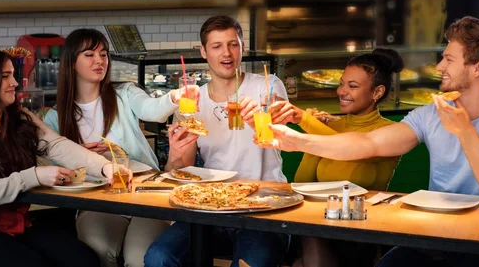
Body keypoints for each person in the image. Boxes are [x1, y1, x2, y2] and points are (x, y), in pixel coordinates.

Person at [259, 17, 479, 267]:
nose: (439, 67)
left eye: (448, 59)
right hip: (434, 234)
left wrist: (465, 131)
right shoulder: (429, 114)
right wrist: (298, 141)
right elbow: (368, 144)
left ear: (478, 67)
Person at [0, 48, 116, 267]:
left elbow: (57, 146)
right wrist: (34, 176)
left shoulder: (18, 118)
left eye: (12, 74)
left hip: (19, 225)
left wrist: (106, 168)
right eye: (5, 76)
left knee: (83, 259)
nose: (14, 82)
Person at [144, 15, 290, 267]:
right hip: (211, 208)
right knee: (159, 256)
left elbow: (280, 127)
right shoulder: (192, 102)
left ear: (242, 47)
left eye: (233, 44)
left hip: (265, 208)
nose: (227, 53)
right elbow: (181, 169)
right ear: (203, 51)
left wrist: (260, 116)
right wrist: (176, 153)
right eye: (217, 46)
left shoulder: (267, 86)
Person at [44, 28, 198, 267]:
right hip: (97, 201)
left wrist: (175, 97)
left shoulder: (124, 93)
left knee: (139, 257)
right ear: (71, 62)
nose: (99, 60)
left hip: (144, 195)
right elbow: (57, 173)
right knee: (99, 248)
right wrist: (79, 157)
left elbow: (152, 111)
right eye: (89, 54)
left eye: (104, 54)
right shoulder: (55, 117)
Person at [270, 49, 403, 267]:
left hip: (359, 228)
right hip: (318, 224)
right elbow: (302, 182)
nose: (341, 91)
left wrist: (306, 121)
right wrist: (315, 129)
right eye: (342, 83)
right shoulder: (331, 126)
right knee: (307, 235)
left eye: (353, 86)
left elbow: (351, 149)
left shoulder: (390, 131)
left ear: (377, 92)